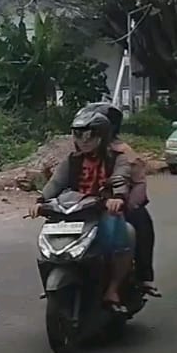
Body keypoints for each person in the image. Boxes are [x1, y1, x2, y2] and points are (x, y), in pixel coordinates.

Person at [33, 106, 136, 312]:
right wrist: (40, 200)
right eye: (79, 135)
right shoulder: (72, 160)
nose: (84, 140)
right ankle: (57, 280)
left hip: (102, 210)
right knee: (50, 240)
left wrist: (116, 198)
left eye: (90, 135)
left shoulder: (117, 158)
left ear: (103, 136)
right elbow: (56, 183)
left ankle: (113, 289)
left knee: (122, 237)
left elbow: (121, 178)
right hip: (73, 211)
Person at [97, 104, 160, 297]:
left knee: (142, 224)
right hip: (87, 203)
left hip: (117, 203)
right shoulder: (80, 150)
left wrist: (127, 204)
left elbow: (139, 183)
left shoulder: (124, 153)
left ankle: (143, 276)